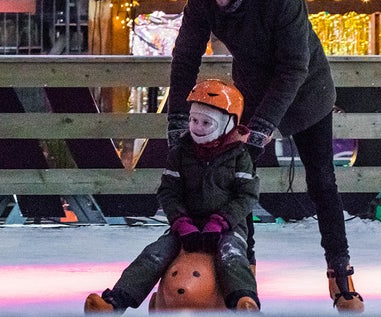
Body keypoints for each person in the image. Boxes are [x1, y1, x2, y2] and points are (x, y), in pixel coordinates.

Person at [166, 0, 364, 312]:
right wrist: (175, 118)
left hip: (307, 93)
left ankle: (340, 273)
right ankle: (242, 271)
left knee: (322, 182)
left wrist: (262, 128)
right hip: (252, 93)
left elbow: (294, 68)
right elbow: (186, 55)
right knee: (235, 181)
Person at [85, 79, 260, 312]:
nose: (197, 127)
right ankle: (115, 302)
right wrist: (181, 222)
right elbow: (169, 191)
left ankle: (244, 301)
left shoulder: (240, 156)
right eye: (194, 120)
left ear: (227, 124)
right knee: (154, 254)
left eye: (206, 122)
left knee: (232, 255)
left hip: (228, 227)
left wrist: (222, 221)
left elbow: (247, 196)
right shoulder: (180, 153)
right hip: (187, 225)